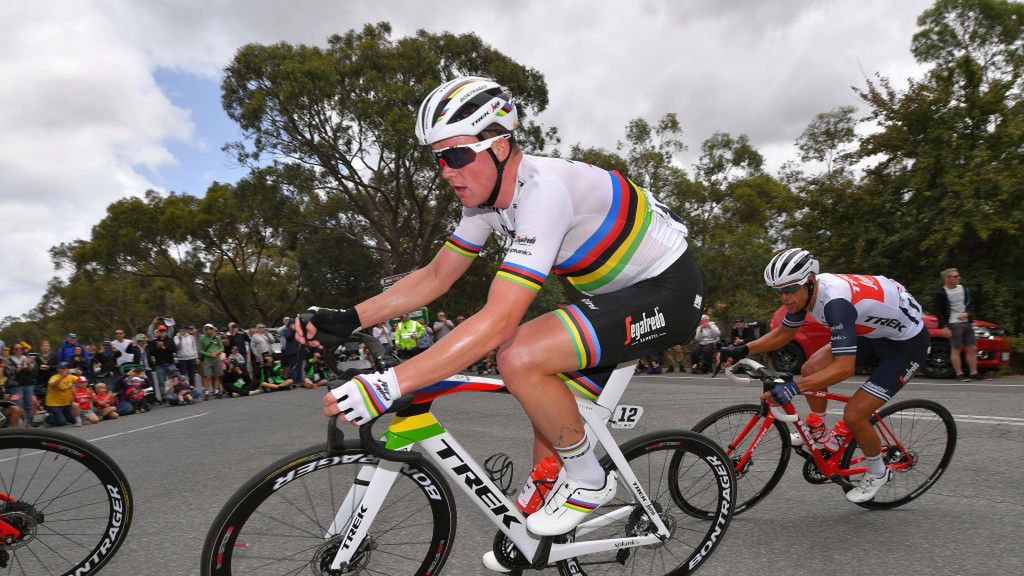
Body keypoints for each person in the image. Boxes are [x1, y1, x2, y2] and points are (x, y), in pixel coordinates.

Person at [300, 76, 702, 547]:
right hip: (613, 296)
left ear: (501, 146)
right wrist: (351, 318)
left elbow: (499, 320)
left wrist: (391, 384)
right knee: (545, 404)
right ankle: (547, 524)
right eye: (439, 160)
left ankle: (590, 479)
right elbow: (435, 278)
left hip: (667, 291)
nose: (447, 172)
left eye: (457, 156)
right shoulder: (487, 205)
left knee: (519, 354)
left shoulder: (544, 193)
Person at [719, 248, 930, 504]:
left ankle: (878, 471)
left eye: (790, 290)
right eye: (779, 291)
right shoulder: (804, 294)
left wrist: (794, 388)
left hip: (906, 345)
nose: (784, 297)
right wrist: (743, 348)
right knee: (811, 369)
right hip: (873, 332)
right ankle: (821, 433)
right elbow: (784, 334)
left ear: (810, 280)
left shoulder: (835, 304)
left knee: (855, 414)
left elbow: (844, 369)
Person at [933, 268, 984, 381]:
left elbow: (969, 304)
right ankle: (959, 374)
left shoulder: (963, 289)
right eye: (955, 276)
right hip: (954, 323)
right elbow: (938, 311)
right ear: (947, 279)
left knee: (972, 348)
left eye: (958, 276)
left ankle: (974, 373)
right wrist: (945, 326)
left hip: (966, 322)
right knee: (956, 349)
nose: (958, 278)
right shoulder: (941, 292)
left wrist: (967, 313)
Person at [6, 343, 36, 427]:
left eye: (20, 348)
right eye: (16, 349)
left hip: (28, 383)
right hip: (16, 385)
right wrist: (22, 366)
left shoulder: (25, 358)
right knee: (17, 406)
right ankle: (17, 425)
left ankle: (28, 424)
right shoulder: (9, 360)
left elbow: (31, 371)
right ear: (12, 350)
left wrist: (29, 363)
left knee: (28, 405)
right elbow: (12, 373)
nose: (19, 350)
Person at [46, 362, 80, 427]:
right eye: (63, 368)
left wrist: (79, 375)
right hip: (54, 404)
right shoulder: (54, 377)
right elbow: (52, 385)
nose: (66, 369)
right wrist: (62, 377)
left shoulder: (71, 377)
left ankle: (62, 415)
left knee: (72, 420)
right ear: (58, 370)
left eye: (67, 368)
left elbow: (81, 382)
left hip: (66, 403)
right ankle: (48, 417)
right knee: (61, 422)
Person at [199, 323, 225, 399]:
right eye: (206, 329)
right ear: (205, 330)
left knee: (217, 376)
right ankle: (207, 392)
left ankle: (216, 391)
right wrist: (209, 354)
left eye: (210, 328)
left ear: (213, 329)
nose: (208, 330)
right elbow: (200, 350)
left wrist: (216, 353)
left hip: (216, 358)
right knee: (207, 376)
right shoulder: (202, 338)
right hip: (207, 359)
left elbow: (222, 348)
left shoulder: (217, 337)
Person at [175, 324, 200, 388]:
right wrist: (180, 338)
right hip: (182, 359)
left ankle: (193, 390)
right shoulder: (177, 337)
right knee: (183, 376)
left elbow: (194, 347)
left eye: (186, 329)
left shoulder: (191, 337)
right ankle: (185, 391)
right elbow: (177, 347)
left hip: (191, 358)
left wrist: (196, 357)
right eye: (183, 329)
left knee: (192, 376)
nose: (184, 331)